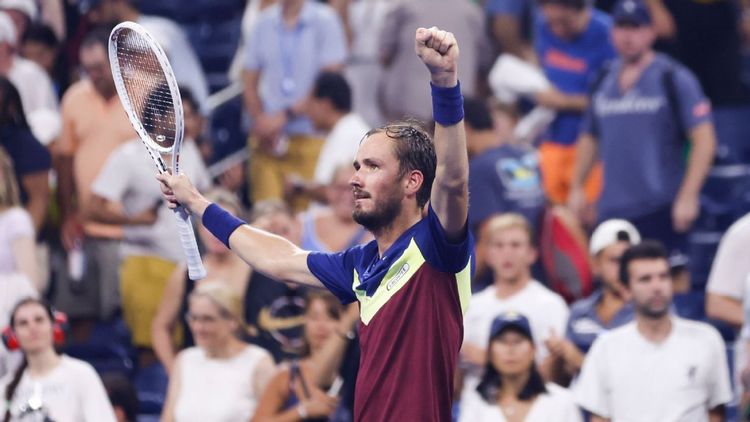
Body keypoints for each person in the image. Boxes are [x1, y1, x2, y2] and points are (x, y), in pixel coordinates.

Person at [158, 26, 472, 421]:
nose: (355, 178)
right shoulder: (359, 265)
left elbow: (454, 180)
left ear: (412, 182)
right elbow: (278, 257)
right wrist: (200, 204)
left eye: (372, 167)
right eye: (357, 166)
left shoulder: (438, 245)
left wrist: (444, 83)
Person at [569, 0, 717, 263]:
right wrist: (578, 186)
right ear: (612, 32)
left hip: (660, 205)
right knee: (615, 286)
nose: (628, 35)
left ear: (651, 32)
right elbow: (589, 136)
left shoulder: (672, 77)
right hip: (612, 208)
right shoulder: (602, 79)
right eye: (621, 27)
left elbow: (704, 139)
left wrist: (689, 194)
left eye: (636, 27)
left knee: (663, 282)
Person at [574, 241, 732, 422]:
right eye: (645, 279)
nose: (657, 287)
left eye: (663, 277)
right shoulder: (606, 349)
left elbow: (716, 414)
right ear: (626, 290)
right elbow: (600, 418)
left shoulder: (706, 340)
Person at [152, 196, 307, 369]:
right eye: (209, 224)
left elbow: (231, 310)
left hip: (242, 365)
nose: (216, 232)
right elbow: (161, 327)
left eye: (223, 224)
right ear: (199, 227)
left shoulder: (254, 270)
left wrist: (249, 240)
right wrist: (175, 371)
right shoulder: (184, 273)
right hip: (199, 364)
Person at [55, 27, 136, 322]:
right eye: (87, 69)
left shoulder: (141, 92)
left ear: (117, 61)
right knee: (81, 316)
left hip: (133, 229)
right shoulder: (73, 98)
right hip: (86, 227)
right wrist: (67, 214)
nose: (94, 75)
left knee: (124, 315)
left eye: (100, 68)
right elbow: (65, 160)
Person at [242, 0, 347, 210]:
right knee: (266, 217)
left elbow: (328, 81)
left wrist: (282, 117)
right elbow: (248, 80)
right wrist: (261, 121)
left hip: (310, 136)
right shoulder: (262, 23)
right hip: (267, 140)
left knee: (307, 219)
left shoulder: (325, 20)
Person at [460, 213, 568, 404]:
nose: (507, 253)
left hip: (533, 408)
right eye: (499, 246)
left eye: (516, 245)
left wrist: (483, 357)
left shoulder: (551, 305)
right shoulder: (471, 306)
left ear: (532, 253)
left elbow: (553, 375)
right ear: (489, 254)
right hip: (477, 410)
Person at [533, 0, 615, 207]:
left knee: (584, 213)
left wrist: (564, 102)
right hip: (550, 139)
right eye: (552, 22)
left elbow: (615, 99)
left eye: (563, 22)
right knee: (551, 215)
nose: (556, 29)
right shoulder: (544, 26)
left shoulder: (608, 34)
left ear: (581, 10)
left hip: (591, 146)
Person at [161, 280, 276, 422]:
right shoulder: (185, 360)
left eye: (208, 319)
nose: (198, 328)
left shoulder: (258, 362)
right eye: (193, 318)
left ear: (232, 321)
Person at [546, 219, 640, 379]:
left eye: (628, 260)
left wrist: (579, 360)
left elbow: (638, 375)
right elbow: (561, 380)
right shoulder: (578, 312)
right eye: (614, 260)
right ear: (595, 264)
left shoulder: (649, 313)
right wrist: (558, 356)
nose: (622, 268)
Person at [0, 298, 117, 422]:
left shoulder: (82, 374)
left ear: (54, 326)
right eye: (23, 323)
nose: (32, 327)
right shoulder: (5, 386)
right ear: (12, 335)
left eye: (39, 320)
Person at [81, 0, 210, 111]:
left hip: (189, 119)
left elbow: (150, 84)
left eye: (98, 9)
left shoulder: (151, 31)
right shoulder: (129, 37)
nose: (93, 17)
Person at [378, 0, 491, 123]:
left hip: (409, 104)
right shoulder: (472, 12)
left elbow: (385, 55)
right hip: (455, 106)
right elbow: (484, 61)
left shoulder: (403, 5)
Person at [459, 312, 582, 422]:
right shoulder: (474, 401)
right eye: (502, 341)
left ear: (533, 349)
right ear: (490, 351)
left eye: (518, 340)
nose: (510, 349)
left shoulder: (562, 401)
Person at [252, 291, 356, 422]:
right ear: (304, 322)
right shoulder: (288, 375)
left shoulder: (355, 372)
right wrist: (301, 411)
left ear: (345, 322)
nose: (321, 326)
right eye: (314, 317)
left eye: (331, 317)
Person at [464, 96, 544, 236]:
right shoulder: (526, 157)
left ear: (465, 128)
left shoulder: (479, 168)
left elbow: (487, 229)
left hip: (503, 253)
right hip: (532, 250)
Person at [294, 71, 370, 204]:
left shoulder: (348, 133)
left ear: (325, 105)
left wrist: (299, 187)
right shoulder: (345, 128)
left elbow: (337, 191)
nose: (307, 112)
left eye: (311, 104)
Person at [0, 77, 50, 235]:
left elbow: (39, 202)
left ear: (10, 107)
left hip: (17, 244)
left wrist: (22, 241)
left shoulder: (26, 147)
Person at [299, 166, 372, 253]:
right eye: (340, 188)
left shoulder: (374, 235)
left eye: (354, 189)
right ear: (329, 190)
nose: (347, 196)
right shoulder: (303, 226)